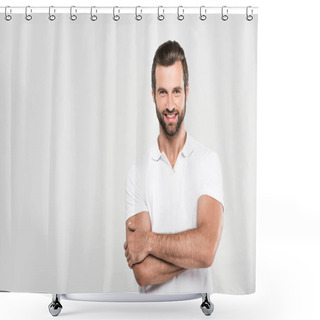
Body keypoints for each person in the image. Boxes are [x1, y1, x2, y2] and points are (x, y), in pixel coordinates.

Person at [124, 40, 224, 294]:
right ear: (153, 94)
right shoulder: (138, 172)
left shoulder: (207, 162)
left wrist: (149, 242)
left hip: (196, 310)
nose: (170, 105)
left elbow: (206, 251)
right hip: (151, 314)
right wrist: (193, 250)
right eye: (163, 92)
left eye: (176, 91)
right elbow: (143, 273)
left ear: (187, 92)